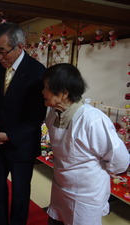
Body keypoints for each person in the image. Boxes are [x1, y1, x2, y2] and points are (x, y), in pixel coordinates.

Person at [42, 63, 130, 225]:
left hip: (85, 194)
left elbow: (121, 160)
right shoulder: (53, 115)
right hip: (60, 187)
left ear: (64, 93)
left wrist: (104, 170)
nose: (42, 92)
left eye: (46, 87)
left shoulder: (92, 119)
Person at [0, 22, 47, 225]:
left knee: (20, 191)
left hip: (22, 143)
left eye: (3, 52)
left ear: (20, 46)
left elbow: (36, 118)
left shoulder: (38, 73)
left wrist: (10, 135)